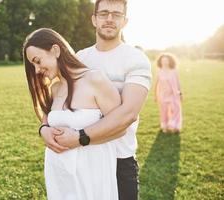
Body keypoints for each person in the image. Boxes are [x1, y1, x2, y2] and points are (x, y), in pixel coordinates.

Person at [39, 0, 152, 199]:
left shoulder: (136, 59)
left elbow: (128, 114)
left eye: (116, 15)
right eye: (104, 13)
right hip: (83, 160)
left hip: (119, 160)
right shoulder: (80, 58)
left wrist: (80, 137)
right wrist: (44, 128)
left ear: (125, 21)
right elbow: (56, 99)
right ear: (94, 19)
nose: (109, 19)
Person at [23, 28, 121, 199]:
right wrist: (43, 129)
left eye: (38, 61)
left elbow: (120, 127)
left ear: (55, 50)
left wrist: (80, 137)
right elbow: (47, 119)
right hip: (60, 176)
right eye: (33, 65)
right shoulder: (55, 88)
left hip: (91, 175)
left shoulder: (94, 79)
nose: (37, 70)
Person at [154, 53, 182, 133]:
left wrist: (180, 93)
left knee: (176, 110)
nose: (165, 62)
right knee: (164, 111)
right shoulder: (159, 71)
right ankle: (165, 126)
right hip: (163, 95)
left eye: (166, 60)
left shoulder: (174, 71)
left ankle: (175, 126)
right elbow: (156, 85)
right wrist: (155, 96)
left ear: (170, 61)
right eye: (163, 61)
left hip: (174, 94)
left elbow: (178, 82)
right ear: (160, 62)